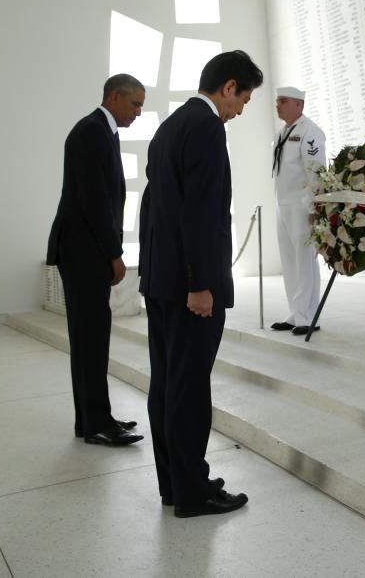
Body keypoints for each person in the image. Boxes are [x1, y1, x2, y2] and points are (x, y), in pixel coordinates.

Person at [139, 50, 263, 518]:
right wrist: (200, 284)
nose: (240, 110)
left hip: (159, 282)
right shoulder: (208, 128)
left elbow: (155, 209)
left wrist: (155, 275)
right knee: (190, 389)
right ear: (228, 87)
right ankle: (193, 492)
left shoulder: (170, 126)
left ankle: (176, 482)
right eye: (244, 99)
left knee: (167, 385)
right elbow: (200, 214)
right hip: (188, 287)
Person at [46, 74, 145, 445]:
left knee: (93, 338)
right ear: (115, 96)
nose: (137, 113)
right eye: (134, 104)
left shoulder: (104, 132)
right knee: (90, 339)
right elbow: (93, 201)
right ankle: (96, 424)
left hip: (87, 249)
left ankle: (93, 419)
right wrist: (113, 253)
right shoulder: (90, 132)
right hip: (83, 251)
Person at [269, 86, 327, 336]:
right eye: (277, 101)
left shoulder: (309, 132)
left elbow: (316, 171)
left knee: (304, 260)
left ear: (299, 105)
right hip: (283, 205)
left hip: (302, 206)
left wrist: (314, 206)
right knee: (290, 260)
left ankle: (308, 315)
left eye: (283, 101)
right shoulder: (282, 133)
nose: (278, 105)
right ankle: (295, 312)